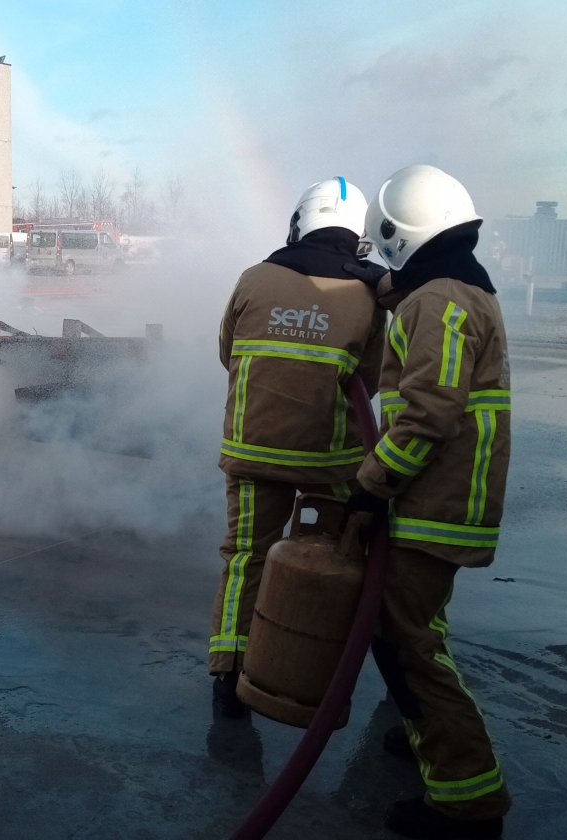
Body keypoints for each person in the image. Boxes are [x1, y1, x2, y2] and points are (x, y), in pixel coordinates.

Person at [342, 165, 512, 840]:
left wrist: (367, 486)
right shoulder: (458, 284)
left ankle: (467, 800)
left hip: (432, 499)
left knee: (407, 647)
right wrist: (370, 284)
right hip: (447, 494)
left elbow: (426, 414)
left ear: (399, 234)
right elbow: (401, 290)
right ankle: (427, 738)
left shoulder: (437, 301)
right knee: (419, 628)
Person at [210, 177, 385, 717]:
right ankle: (311, 668)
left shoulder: (254, 277)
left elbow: (226, 352)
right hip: (329, 460)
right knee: (337, 561)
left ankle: (228, 677)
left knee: (245, 559)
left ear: (297, 223)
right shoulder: (368, 294)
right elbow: (371, 381)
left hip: (253, 449)